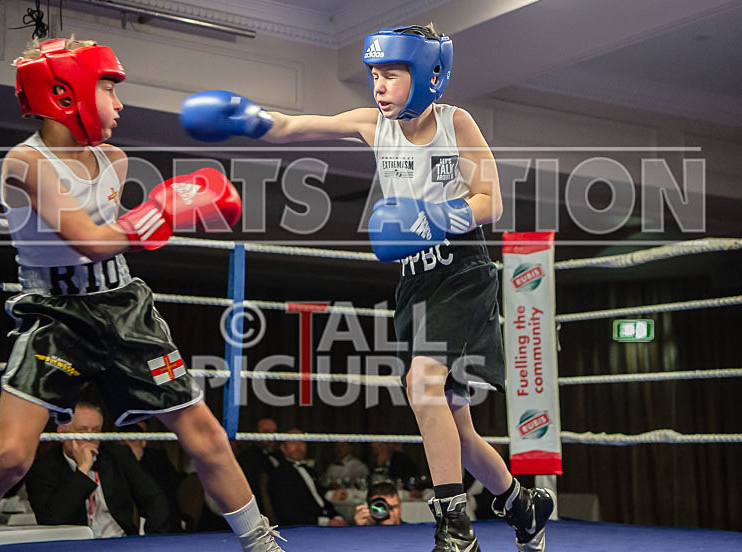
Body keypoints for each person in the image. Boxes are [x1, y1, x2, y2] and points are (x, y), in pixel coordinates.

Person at [180, 23, 555, 552]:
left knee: (422, 383)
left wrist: (430, 217)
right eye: (375, 76)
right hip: (415, 281)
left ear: (427, 75)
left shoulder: (456, 123)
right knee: (458, 429)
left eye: (392, 75)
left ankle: (454, 526)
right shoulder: (370, 124)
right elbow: (292, 125)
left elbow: (490, 200)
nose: (379, 87)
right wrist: (249, 119)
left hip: (462, 271)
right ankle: (524, 505)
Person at [0, 38, 284, 552]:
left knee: (205, 432)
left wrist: (154, 215)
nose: (120, 103)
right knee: (9, 457)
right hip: (55, 316)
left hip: (124, 308)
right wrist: (165, 209)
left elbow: (110, 241)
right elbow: (89, 239)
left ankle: (261, 542)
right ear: (66, 91)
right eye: (107, 87)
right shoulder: (24, 163)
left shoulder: (114, 160)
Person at [25, 402, 170, 536]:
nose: (90, 436)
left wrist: (150, 541)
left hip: (118, 543)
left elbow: (155, 500)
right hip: (72, 546)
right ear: (62, 433)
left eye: (96, 430)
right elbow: (50, 520)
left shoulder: (118, 455)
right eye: (82, 430)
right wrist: (83, 470)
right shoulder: (42, 467)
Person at [267, 429, 345, 527]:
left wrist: (336, 516)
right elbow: (289, 514)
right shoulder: (279, 475)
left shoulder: (309, 470)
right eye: (293, 442)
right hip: (304, 528)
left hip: (324, 521)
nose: (298, 446)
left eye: (302, 442)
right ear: (283, 448)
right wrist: (326, 522)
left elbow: (319, 498)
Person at [123, 420, 185, 532]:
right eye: (123, 441)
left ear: (144, 441)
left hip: (158, 527)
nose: (127, 445)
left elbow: (164, 502)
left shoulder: (158, 462)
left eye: (133, 439)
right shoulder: (112, 462)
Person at [237, 417, 281, 521]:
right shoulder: (247, 459)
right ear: (255, 434)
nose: (271, 436)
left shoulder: (279, 455)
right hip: (258, 518)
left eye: (274, 432)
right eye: (267, 432)